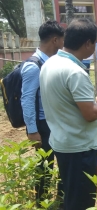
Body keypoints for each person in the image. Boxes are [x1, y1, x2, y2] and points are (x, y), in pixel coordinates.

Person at [39, 18, 97, 210]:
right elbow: (90, 114)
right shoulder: (75, 72)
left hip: (62, 142)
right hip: (79, 148)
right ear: (88, 43)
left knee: (70, 195)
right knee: (82, 202)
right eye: (95, 43)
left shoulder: (50, 63)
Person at [21, 20, 65, 207]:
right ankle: (41, 202)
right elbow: (27, 99)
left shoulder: (51, 62)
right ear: (55, 40)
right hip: (42, 125)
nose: (64, 44)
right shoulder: (34, 66)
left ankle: (60, 199)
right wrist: (32, 130)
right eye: (62, 40)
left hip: (54, 122)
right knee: (44, 165)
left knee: (62, 161)